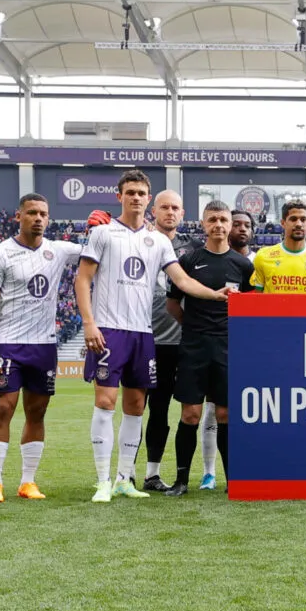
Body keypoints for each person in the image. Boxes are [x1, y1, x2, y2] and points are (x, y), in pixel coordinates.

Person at [75, 170, 233, 504]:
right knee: (105, 402)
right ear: (119, 196)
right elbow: (82, 279)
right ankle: (103, 480)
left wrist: (215, 294)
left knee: (135, 407)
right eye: (129, 192)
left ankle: (123, 479)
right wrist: (89, 324)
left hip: (143, 334)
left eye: (140, 193)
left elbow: (182, 281)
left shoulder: (158, 241)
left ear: (148, 199)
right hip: (109, 329)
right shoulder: (103, 234)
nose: (135, 197)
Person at [0, 194, 84, 502]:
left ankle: (27, 482)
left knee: (37, 412)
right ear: (19, 216)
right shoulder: (1, 254)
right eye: (32, 213)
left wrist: (101, 225)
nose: (38, 218)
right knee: (3, 408)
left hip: (45, 345)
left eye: (43, 214)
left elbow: (96, 251)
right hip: (8, 344)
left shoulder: (59, 250)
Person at [163, 201, 254, 496]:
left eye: (223, 219)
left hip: (228, 347)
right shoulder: (188, 261)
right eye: (212, 219)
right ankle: (180, 481)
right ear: (203, 224)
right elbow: (173, 304)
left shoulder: (243, 265)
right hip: (194, 346)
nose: (218, 225)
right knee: (190, 414)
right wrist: (193, 326)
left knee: (226, 414)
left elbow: (251, 308)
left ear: (230, 224)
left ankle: (233, 481)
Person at [191, 208, 257, 490]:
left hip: (249, 347)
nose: (241, 229)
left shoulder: (257, 262)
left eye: (246, 225)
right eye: (237, 224)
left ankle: (247, 469)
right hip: (217, 345)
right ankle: (209, 472)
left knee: (248, 411)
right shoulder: (206, 260)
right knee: (212, 410)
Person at [141, 189, 195, 493]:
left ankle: (153, 473)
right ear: (154, 210)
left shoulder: (194, 249)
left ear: (183, 214)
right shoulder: (140, 241)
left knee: (166, 410)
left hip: (181, 342)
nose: (170, 212)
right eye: (164, 207)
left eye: (176, 207)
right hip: (145, 339)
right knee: (139, 409)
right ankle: (126, 473)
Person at [250, 200, 306, 294]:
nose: (298, 224)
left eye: (303, 219)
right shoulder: (263, 256)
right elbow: (257, 299)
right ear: (283, 223)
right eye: (293, 219)